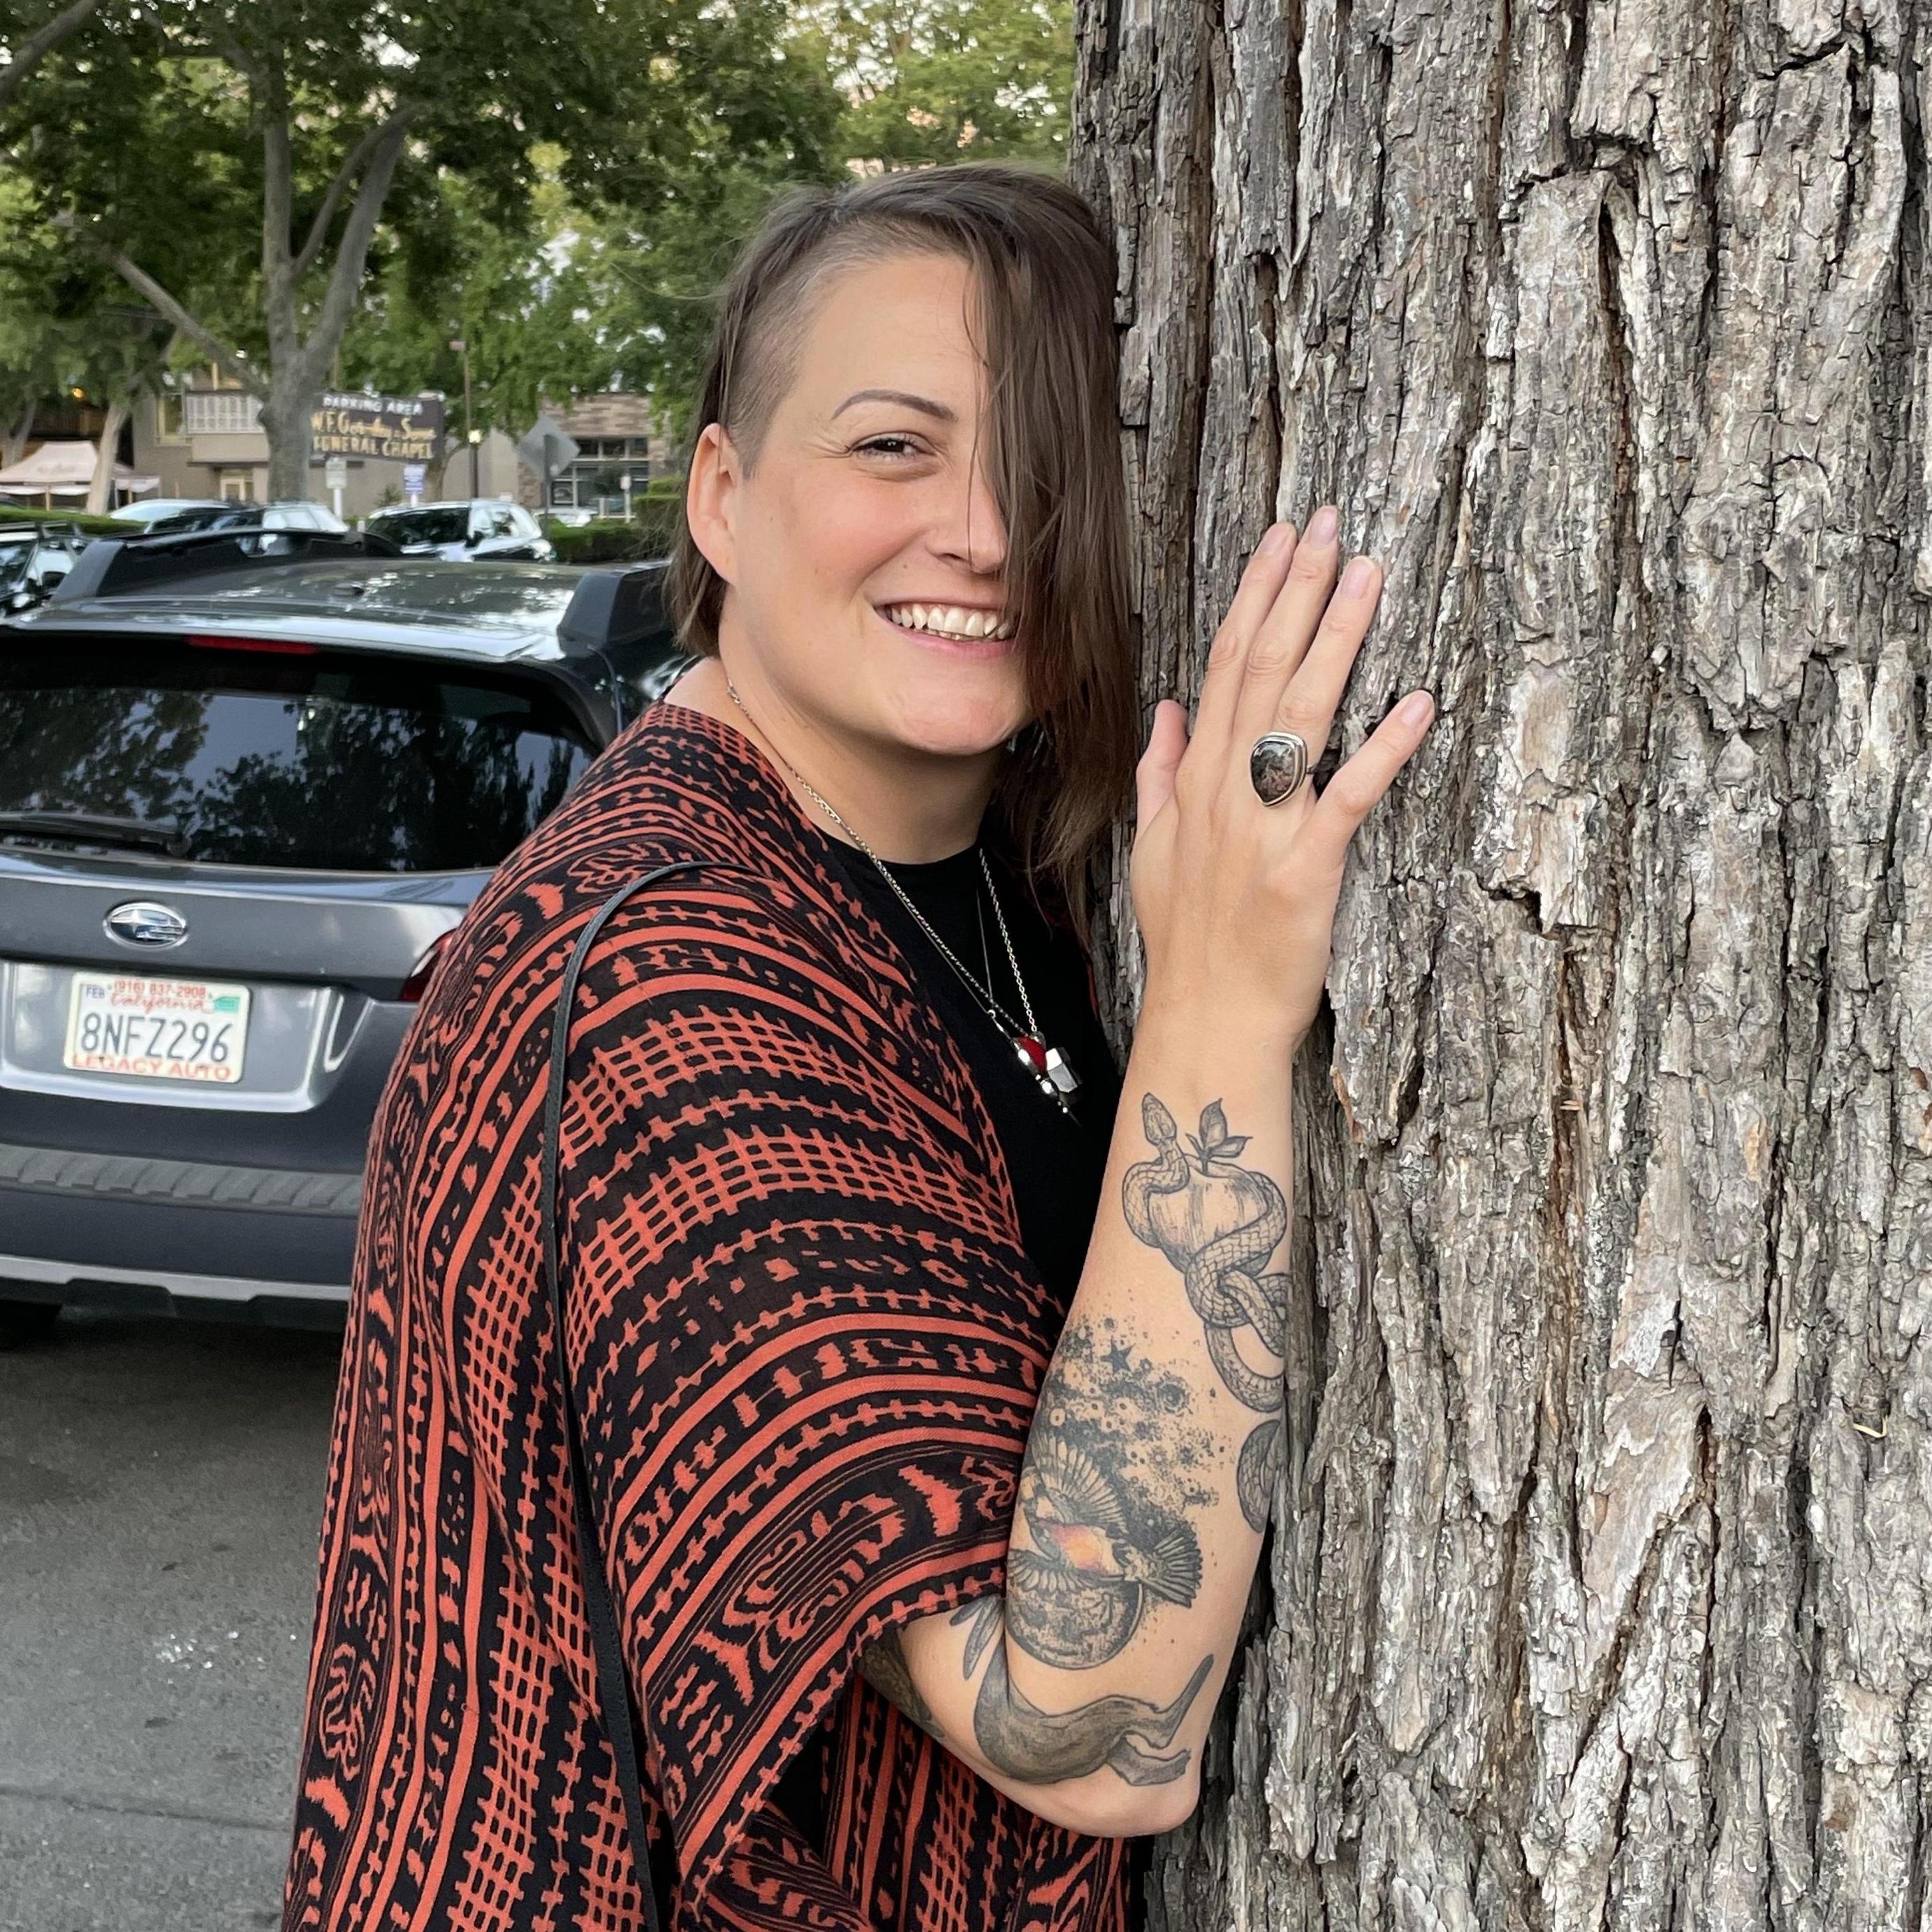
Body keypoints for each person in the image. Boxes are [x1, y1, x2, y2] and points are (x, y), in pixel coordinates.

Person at [281, 162, 1433, 1932]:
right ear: (726, 497)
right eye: (894, 446)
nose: (984, 528)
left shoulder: (1003, 874)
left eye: (1048, 469)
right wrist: (1223, 1013)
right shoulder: (660, 967)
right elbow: (1080, 1720)